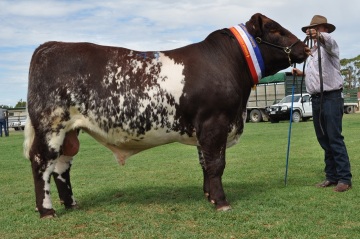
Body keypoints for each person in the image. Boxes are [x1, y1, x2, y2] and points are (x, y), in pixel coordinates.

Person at [292, 15, 352, 192]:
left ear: (324, 29)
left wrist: (319, 35)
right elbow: (319, 74)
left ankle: (344, 178)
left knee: (334, 137)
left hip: (332, 97)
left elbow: (329, 40)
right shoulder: (313, 53)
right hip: (317, 99)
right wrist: (302, 74)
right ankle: (331, 176)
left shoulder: (329, 46)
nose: (312, 32)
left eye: (317, 28)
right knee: (324, 139)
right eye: (312, 29)